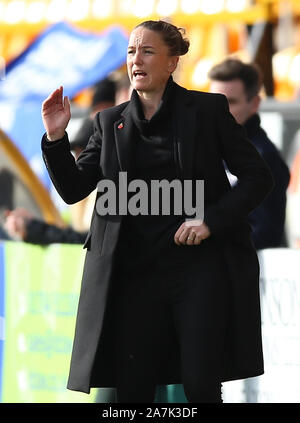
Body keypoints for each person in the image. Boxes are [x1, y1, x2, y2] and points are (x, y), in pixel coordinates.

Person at [40, 20, 273, 403]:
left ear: (171, 62)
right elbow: (72, 189)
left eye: (147, 51)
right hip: (134, 275)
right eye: (132, 51)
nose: (136, 59)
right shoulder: (107, 120)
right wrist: (56, 138)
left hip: (197, 271)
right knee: (133, 391)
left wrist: (210, 221)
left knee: (199, 384)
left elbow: (257, 177)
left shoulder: (208, 110)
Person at [4, 78, 117, 245]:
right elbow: (71, 227)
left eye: (84, 150)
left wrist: (33, 230)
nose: (78, 157)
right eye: (76, 150)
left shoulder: (110, 191)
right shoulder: (82, 198)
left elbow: (85, 239)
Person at [208, 58, 290, 250]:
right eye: (213, 101)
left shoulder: (263, 157)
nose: (220, 110)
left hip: (240, 274)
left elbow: (264, 233)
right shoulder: (207, 146)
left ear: (254, 104)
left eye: (230, 102)